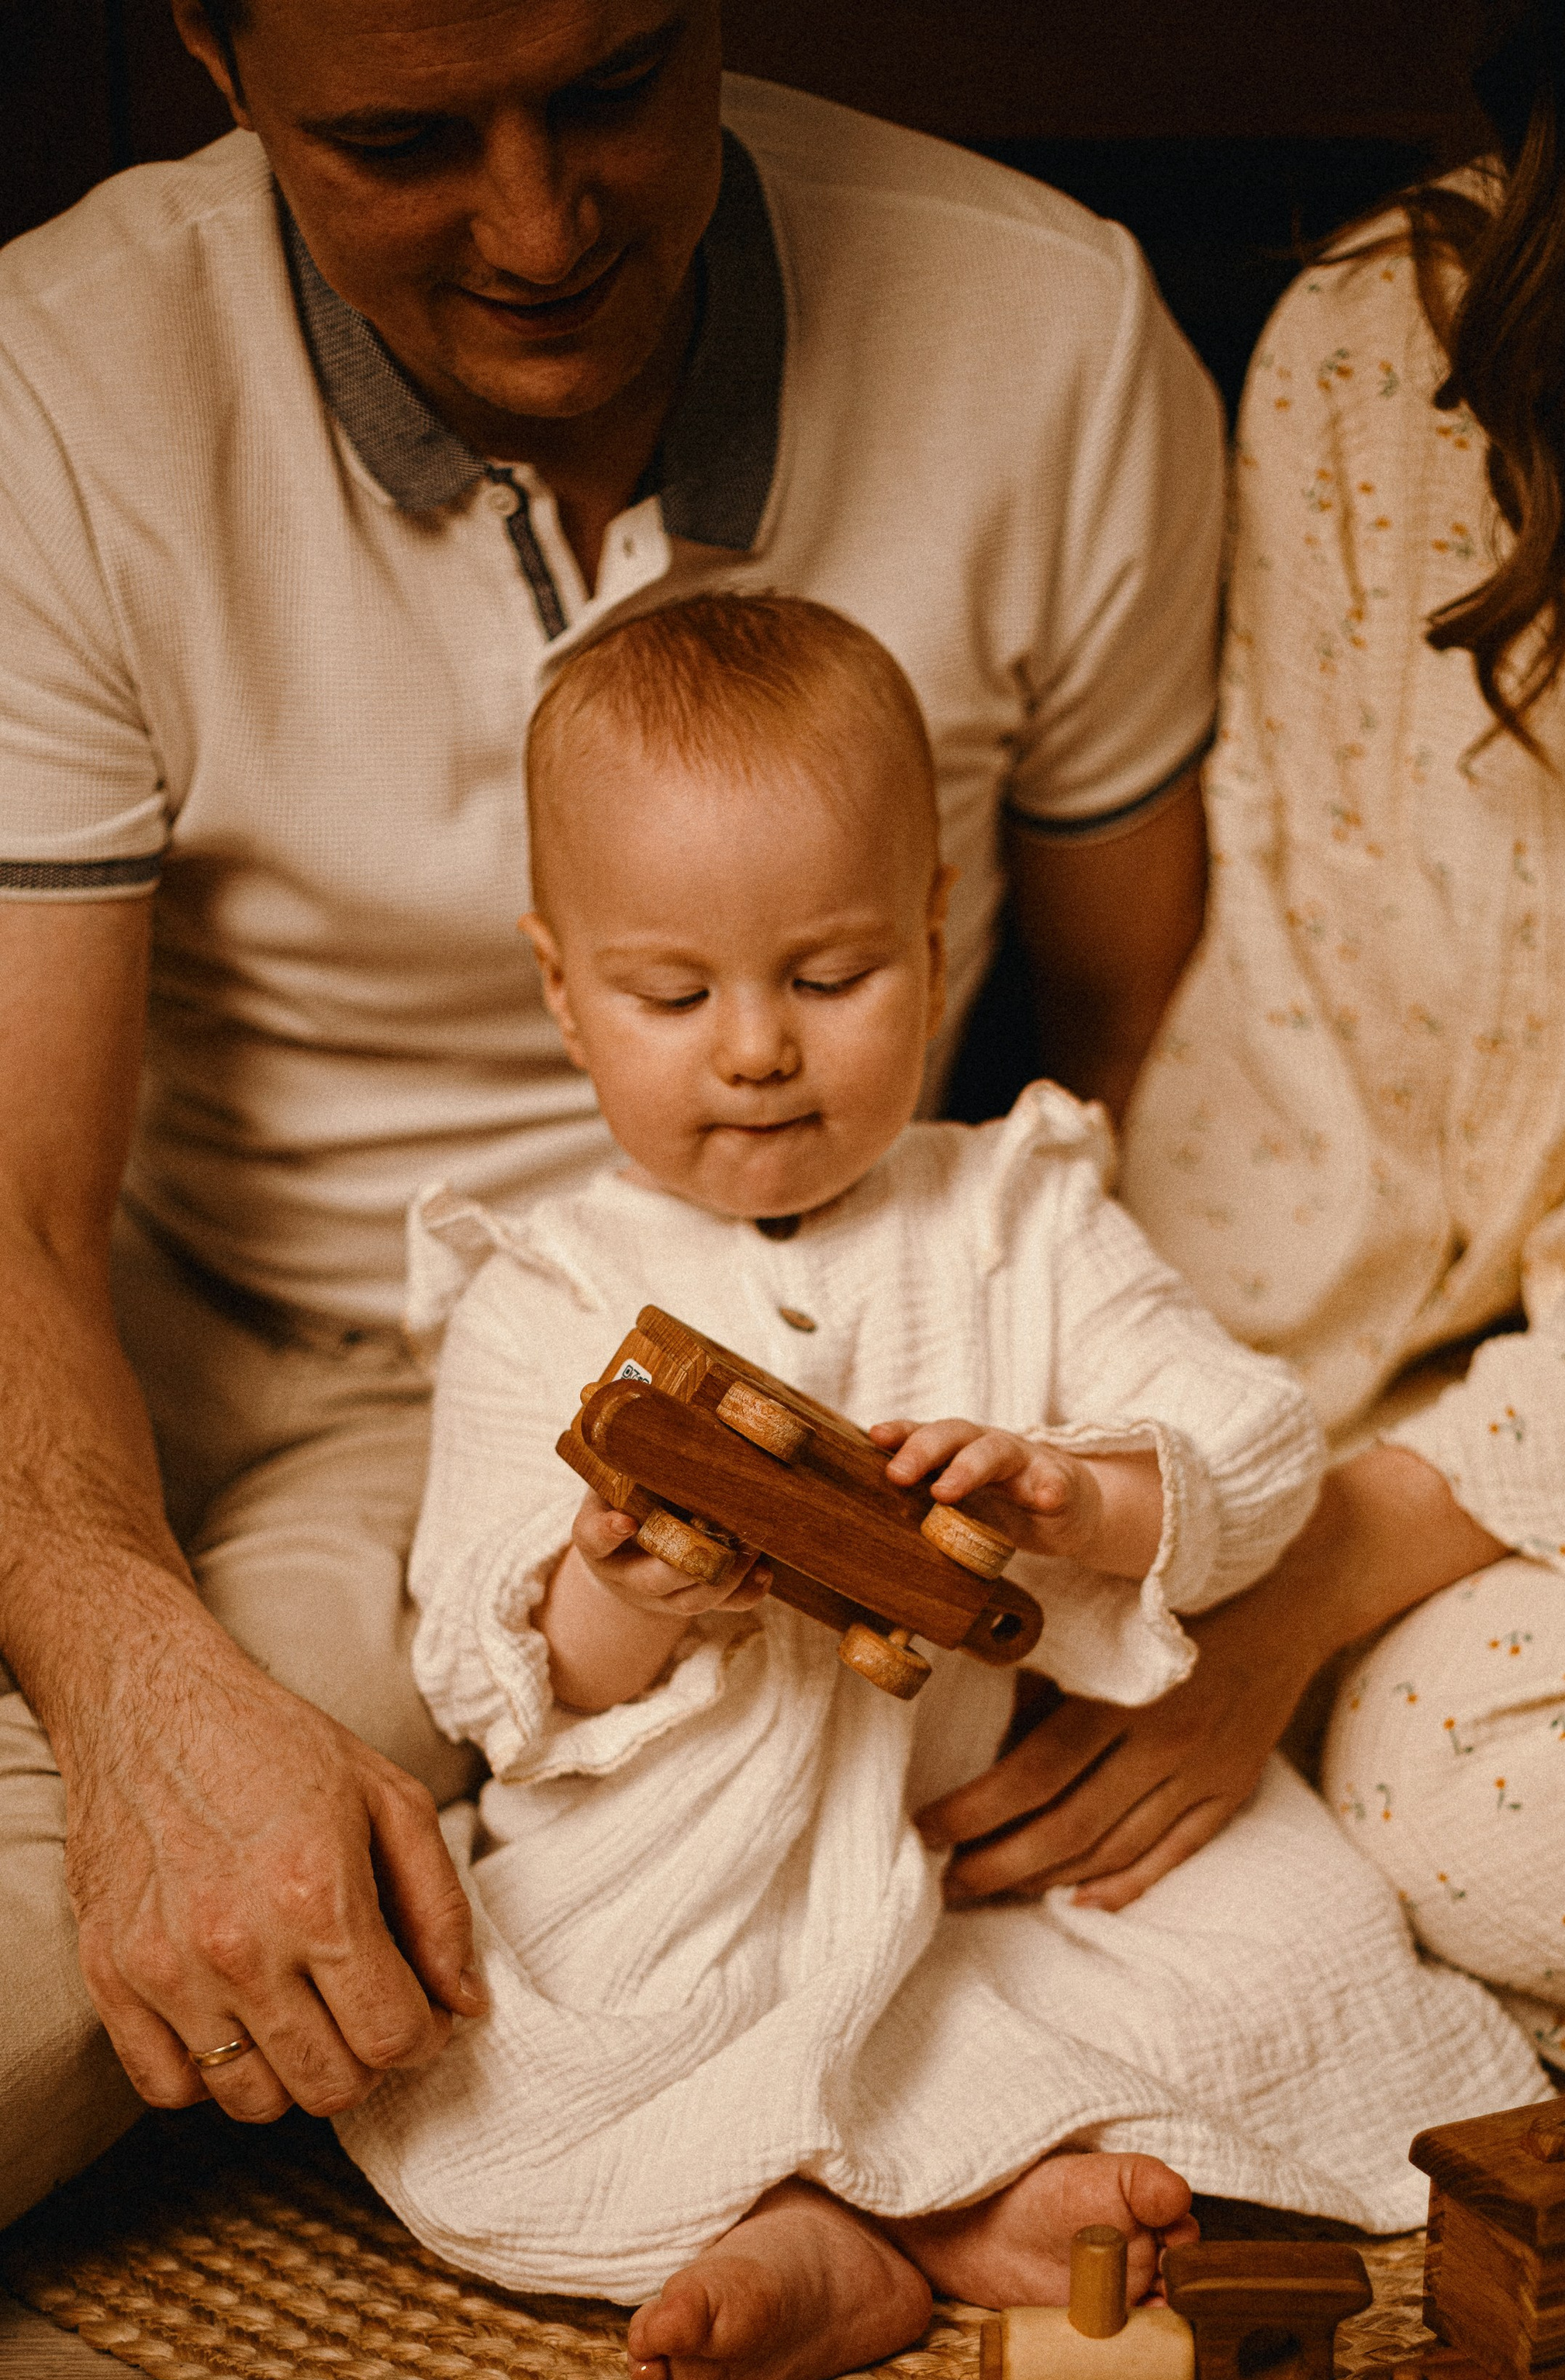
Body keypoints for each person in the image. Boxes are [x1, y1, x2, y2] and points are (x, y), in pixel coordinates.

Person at [0, 0, 1226, 2227]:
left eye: (610, 90)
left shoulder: (1049, 330)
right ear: (207, 48)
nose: (544, 223)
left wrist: (1135, 1500)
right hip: (206, 1359)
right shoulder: (59, 386)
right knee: (153, 1858)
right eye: (400, 143)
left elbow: (1150, 1031)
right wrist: (125, 1667)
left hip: (763, 1352)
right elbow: (11, 1201)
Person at [926, 0, 1565, 2113]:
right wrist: (1197, 1515)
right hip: (1462, 1396)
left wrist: (1332, 1567)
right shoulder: (1377, 355)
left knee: (1461, 1810)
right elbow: (1307, 1051)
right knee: (1302, 1749)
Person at [336, 591, 1546, 2380]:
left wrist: (1076, 1492)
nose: (754, 1046)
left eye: (828, 979)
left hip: (994, 1830)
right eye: (674, 995)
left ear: (930, 933)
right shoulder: (542, 1287)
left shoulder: (1020, 1209)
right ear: (561, 990)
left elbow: (1244, 1442)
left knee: (1294, 1939)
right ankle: (867, 2226)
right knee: (509, 2040)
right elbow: (493, 1658)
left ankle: (950, 2198)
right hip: (696, 1870)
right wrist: (627, 1587)